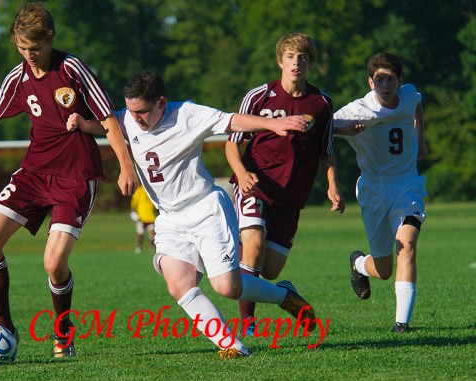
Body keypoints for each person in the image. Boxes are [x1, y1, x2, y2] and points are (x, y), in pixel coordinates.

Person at [0, 3, 137, 360]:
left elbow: (107, 119)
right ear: (15, 41)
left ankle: (64, 335)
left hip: (75, 176)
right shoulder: (17, 77)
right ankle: (4, 328)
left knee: (54, 265)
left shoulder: (71, 68)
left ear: (50, 40)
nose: (30, 55)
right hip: (33, 173)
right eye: (23, 48)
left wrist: (125, 166)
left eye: (37, 48)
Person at [68, 70, 318, 358]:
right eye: (131, 110)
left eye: (143, 112)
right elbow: (109, 125)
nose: (135, 118)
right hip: (170, 218)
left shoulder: (187, 115)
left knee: (227, 287)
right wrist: (84, 124)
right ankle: (231, 346)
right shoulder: (128, 117)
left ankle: (284, 295)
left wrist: (274, 124)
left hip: (205, 209)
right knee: (179, 285)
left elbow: (231, 120)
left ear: (162, 102)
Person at [224, 32, 345, 335]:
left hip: (291, 196)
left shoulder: (322, 103)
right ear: (280, 61)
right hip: (256, 184)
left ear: (309, 63)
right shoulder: (259, 96)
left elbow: (326, 150)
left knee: (270, 269)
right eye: (290, 56)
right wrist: (240, 173)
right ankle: (248, 325)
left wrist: (332, 184)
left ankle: (284, 289)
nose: (296, 63)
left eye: (302, 57)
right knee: (252, 246)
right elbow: (232, 143)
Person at [334, 52, 427, 333]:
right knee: (384, 270)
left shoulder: (408, 96)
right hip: (374, 187)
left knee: (407, 245)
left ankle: (402, 324)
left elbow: (417, 105)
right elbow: (325, 127)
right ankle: (360, 264)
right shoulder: (358, 110)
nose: (386, 85)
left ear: (400, 82)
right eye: (380, 79)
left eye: (391, 80)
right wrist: (346, 129)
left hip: (406, 183)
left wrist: (420, 141)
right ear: (370, 81)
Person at [130, 185, 157, 254]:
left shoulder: (153, 190)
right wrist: (134, 213)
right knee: (140, 233)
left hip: (150, 216)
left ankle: (151, 246)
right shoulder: (138, 191)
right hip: (141, 217)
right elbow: (134, 204)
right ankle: (139, 246)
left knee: (152, 233)